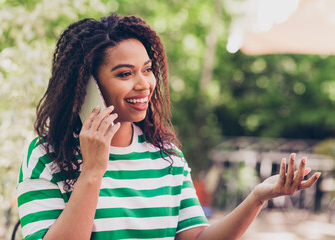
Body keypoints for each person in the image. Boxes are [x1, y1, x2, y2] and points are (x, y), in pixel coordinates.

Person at [16, 13, 321, 240]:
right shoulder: (46, 156)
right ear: (86, 87)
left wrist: (257, 197)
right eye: (124, 74)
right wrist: (93, 171)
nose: (144, 84)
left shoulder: (166, 155)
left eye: (147, 70)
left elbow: (196, 238)